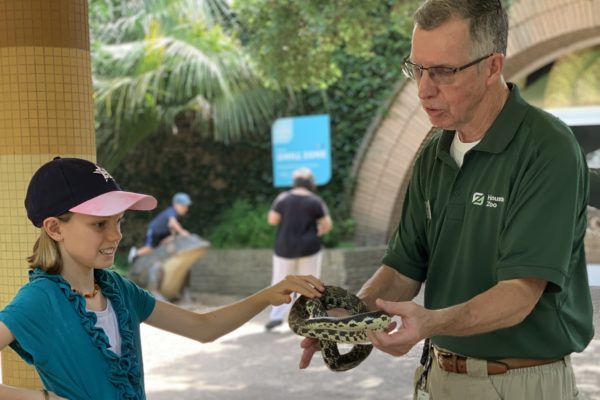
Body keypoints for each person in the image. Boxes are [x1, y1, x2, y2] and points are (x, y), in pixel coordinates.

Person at [299, 1, 593, 399]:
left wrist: (430, 322)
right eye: (417, 69)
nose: (423, 89)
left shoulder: (547, 148)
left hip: (522, 383)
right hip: (437, 376)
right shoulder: (432, 153)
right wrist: (349, 316)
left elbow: (518, 296)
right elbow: (403, 270)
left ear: (492, 67)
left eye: (442, 72)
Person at [0, 157, 323, 400]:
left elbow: (203, 328)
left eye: (119, 221)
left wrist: (267, 296)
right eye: (100, 225)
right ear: (55, 228)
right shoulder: (39, 300)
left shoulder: (119, 291)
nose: (116, 235)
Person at [264, 167, 333, 331]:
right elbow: (327, 225)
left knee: (280, 281)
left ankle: (276, 316)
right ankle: (308, 317)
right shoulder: (315, 201)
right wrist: (319, 231)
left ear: (294, 183)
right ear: (310, 184)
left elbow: (272, 220)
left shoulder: (283, 198)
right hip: (309, 247)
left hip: (285, 247)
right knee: (311, 283)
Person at [128, 192, 193, 264]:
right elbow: (173, 222)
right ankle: (135, 254)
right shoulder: (171, 211)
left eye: (187, 207)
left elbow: (171, 228)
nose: (186, 209)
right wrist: (182, 232)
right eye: (184, 206)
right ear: (176, 205)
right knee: (150, 247)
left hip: (161, 234)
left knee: (163, 245)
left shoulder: (174, 214)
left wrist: (172, 236)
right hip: (154, 230)